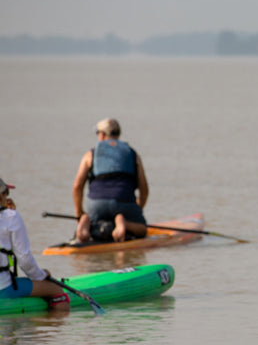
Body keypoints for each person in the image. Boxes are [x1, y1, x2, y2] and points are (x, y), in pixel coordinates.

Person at [72, 118, 149, 243]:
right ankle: (124, 223)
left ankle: (87, 222)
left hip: (97, 204)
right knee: (142, 229)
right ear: (118, 133)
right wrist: (137, 211)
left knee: (94, 220)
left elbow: (77, 186)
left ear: (101, 135)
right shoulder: (132, 154)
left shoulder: (90, 154)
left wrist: (79, 212)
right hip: (124, 201)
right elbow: (144, 189)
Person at [0, 177, 70, 310]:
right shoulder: (11, 217)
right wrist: (40, 276)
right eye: (7, 193)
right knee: (57, 290)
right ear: (2, 195)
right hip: (3, 288)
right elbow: (25, 260)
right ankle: (49, 329)